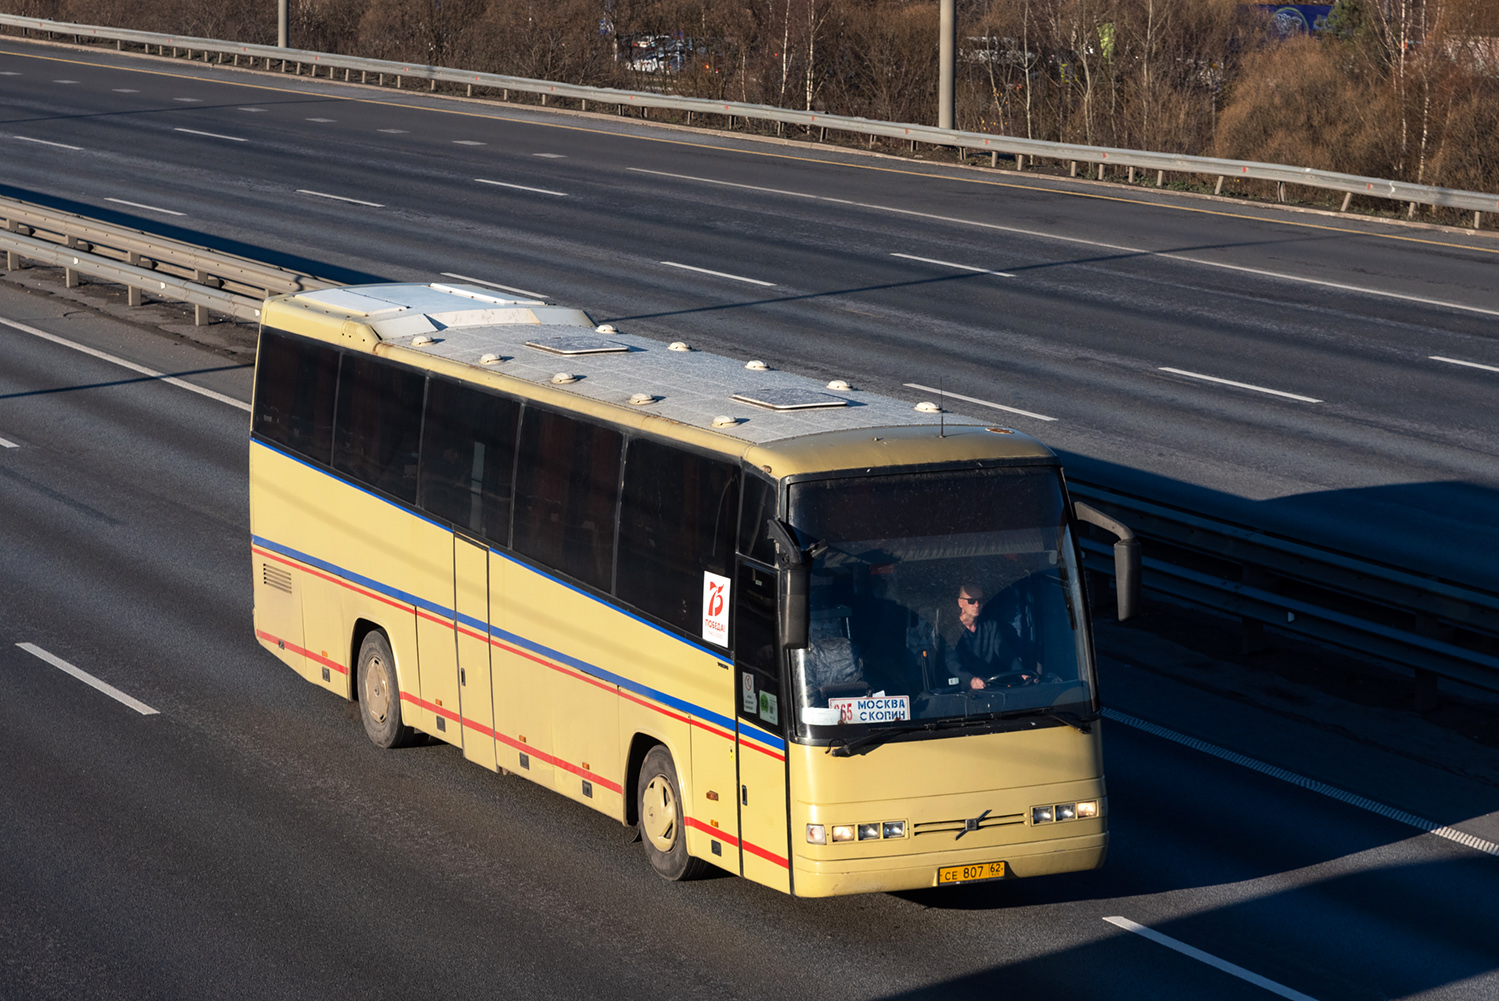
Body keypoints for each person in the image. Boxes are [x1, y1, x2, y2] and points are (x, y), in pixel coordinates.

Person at [946, 583, 1037, 689]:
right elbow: (952, 661)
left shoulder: (991, 626)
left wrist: (1022, 673)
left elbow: (1005, 652)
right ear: (960, 603)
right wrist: (971, 680)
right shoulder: (952, 632)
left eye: (980, 601)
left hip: (992, 687)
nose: (976, 605)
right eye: (971, 601)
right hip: (966, 692)